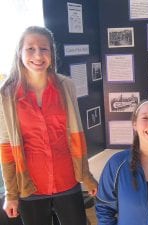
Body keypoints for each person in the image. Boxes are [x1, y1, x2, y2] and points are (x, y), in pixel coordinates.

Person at [0, 26, 98, 225]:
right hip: (30, 186)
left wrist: (86, 176)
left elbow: (77, 135)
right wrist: (11, 194)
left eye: (44, 49)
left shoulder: (66, 85)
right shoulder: (7, 93)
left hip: (67, 179)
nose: (38, 55)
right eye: (30, 49)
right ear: (19, 52)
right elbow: (7, 146)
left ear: (52, 53)